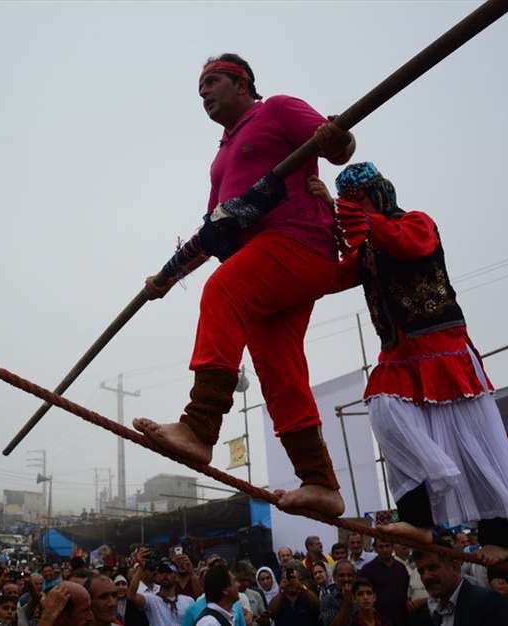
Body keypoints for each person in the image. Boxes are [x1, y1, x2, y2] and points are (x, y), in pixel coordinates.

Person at [134, 52, 356, 521]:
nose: (204, 94)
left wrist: (338, 137)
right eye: (200, 90)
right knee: (278, 367)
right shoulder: (220, 158)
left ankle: (199, 427)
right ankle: (320, 481)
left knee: (223, 292)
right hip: (266, 264)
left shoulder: (276, 108)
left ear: (243, 83)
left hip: (299, 243)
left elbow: (337, 148)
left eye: (212, 82)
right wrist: (167, 278)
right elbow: (216, 230)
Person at [309, 165, 508, 563]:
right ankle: (418, 517)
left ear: (377, 196)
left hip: (443, 348)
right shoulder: (366, 249)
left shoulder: (415, 223)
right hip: (398, 354)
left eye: (355, 200)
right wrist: (309, 227)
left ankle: (499, 534)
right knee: (386, 415)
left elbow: (408, 245)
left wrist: (340, 209)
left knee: (474, 442)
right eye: (347, 203)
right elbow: (329, 277)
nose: (351, 208)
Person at [406, 538, 508, 626]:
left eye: (433, 568)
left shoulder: (489, 603)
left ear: (455, 567)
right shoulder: (437, 611)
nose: (426, 577)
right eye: (421, 571)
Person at [128, 554, 195, 626]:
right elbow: (131, 596)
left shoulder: (188, 601)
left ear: (177, 577)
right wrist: (141, 568)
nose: (165, 575)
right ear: (157, 576)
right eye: (161, 572)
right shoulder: (152, 600)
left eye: (169, 572)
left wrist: (191, 573)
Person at [359, 539, 408, 626]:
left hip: (401, 618)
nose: (384, 550)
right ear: (375, 548)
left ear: (392, 547)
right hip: (378, 620)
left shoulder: (401, 568)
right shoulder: (367, 570)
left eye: (387, 546)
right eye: (381, 547)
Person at [321, 560, 358, 626]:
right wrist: (346, 602)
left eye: (349, 575)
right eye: (341, 575)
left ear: (355, 577)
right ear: (334, 577)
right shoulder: (328, 599)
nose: (346, 579)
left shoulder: (362, 594)